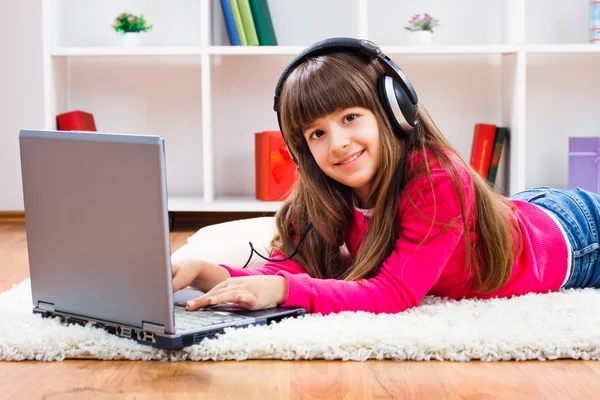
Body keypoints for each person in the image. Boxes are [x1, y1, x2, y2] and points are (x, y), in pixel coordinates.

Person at [171, 37, 600, 315]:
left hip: (579, 238)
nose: (337, 142)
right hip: (526, 210)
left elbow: (393, 293)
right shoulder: (323, 191)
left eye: (351, 117)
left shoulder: (437, 178)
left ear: (395, 112)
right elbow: (294, 269)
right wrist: (207, 273)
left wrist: (286, 291)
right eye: (317, 133)